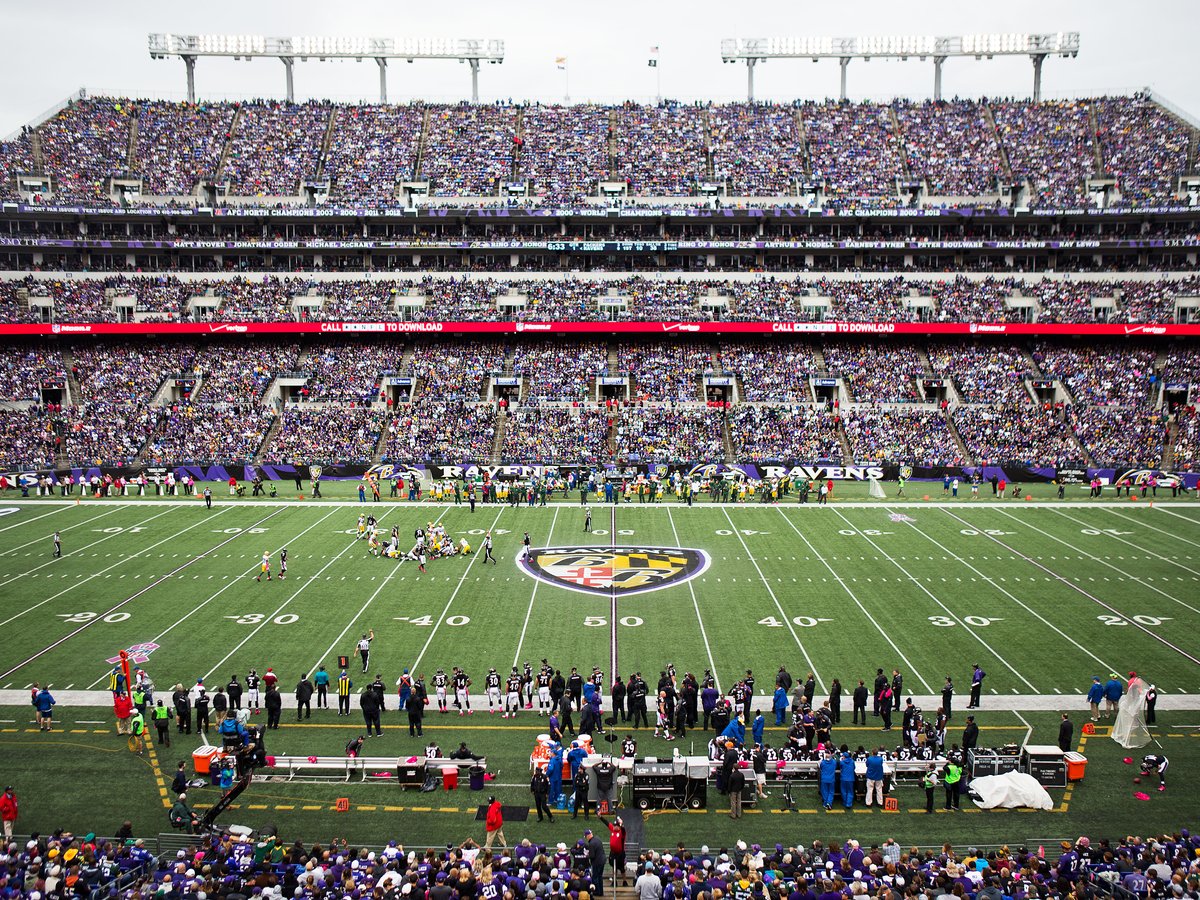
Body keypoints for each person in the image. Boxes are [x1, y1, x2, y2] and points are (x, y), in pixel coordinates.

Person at [1112, 672, 1151, 749]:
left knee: (1133, 712)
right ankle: (1135, 722)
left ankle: (1133, 723)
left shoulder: (1131, 684)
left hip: (1133, 699)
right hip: (1135, 699)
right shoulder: (1138, 684)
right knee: (1134, 712)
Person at [599, 814, 627, 886]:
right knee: (614, 867)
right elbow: (607, 823)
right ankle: (614, 881)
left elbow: (623, 830)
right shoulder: (613, 829)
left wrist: (622, 824)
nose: (614, 827)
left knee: (622, 869)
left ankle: (624, 881)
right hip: (613, 853)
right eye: (614, 826)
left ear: (619, 826)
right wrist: (600, 817)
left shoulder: (621, 832)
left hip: (620, 853)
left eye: (616, 826)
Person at [585, 827, 607, 896]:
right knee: (600, 877)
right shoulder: (597, 839)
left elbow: (592, 856)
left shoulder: (591, 843)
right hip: (602, 860)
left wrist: (587, 855)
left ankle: (597, 892)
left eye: (586, 836)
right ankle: (601, 892)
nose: (586, 838)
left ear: (588, 835)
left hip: (597, 862)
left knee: (595, 877)